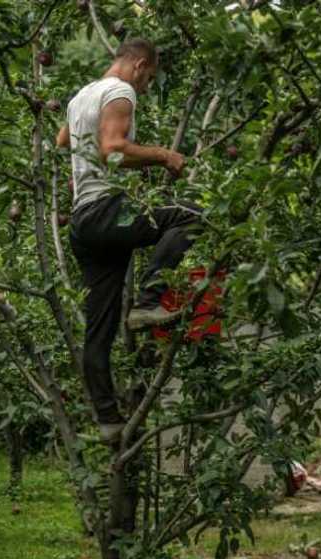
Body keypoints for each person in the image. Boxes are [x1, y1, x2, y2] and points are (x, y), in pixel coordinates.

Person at [56, 38, 203, 443]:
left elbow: (63, 142)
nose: (146, 87)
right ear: (139, 65)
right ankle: (149, 300)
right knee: (194, 215)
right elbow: (113, 150)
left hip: (84, 222)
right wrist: (163, 156)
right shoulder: (120, 92)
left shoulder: (81, 97)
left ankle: (108, 420)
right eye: (149, 79)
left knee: (98, 330)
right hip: (107, 210)